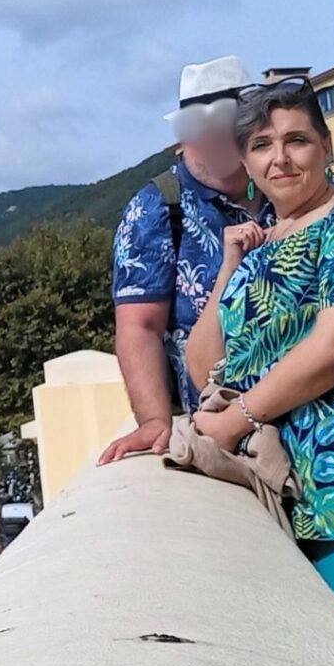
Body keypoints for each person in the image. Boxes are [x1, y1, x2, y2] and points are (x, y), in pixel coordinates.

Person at [184, 76, 334, 596]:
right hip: (288, 497)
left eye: (297, 140)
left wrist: (233, 421)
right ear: (248, 166)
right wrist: (231, 266)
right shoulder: (260, 245)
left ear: (326, 147)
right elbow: (203, 364)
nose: (281, 159)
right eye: (262, 145)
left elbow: (333, 347)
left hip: (333, 493)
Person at [100, 56, 271, 465]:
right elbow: (139, 327)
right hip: (222, 429)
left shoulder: (285, 187)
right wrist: (155, 419)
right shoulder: (157, 208)